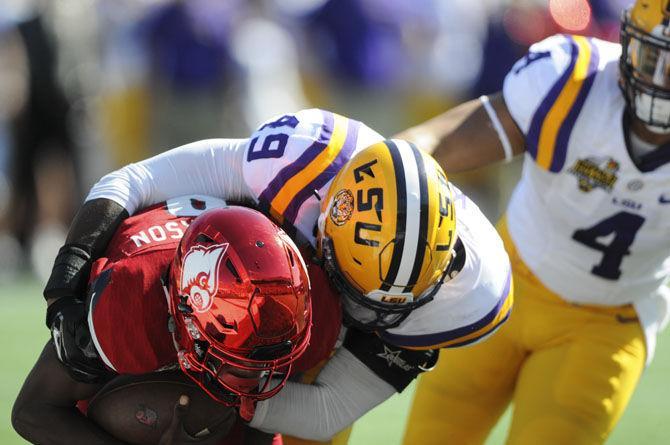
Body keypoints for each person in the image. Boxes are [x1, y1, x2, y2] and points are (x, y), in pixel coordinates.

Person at [41, 108, 513, 443]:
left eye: (391, 301)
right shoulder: (297, 164)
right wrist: (70, 274)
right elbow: (134, 181)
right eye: (352, 284)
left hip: (321, 333)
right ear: (325, 222)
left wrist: (223, 387)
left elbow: (330, 409)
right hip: (239, 277)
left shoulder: (469, 295)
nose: (364, 306)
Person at [395, 1, 670, 444]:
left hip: (606, 325)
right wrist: (379, 158)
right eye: (655, 60)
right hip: (502, 285)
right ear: (630, 47)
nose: (660, 83)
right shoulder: (576, 83)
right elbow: (439, 143)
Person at [13, 200, 324, 444]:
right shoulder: (129, 306)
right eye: (236, 362)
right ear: (188, 315)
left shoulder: (299, 297)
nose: (250, 381)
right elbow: (33, 410)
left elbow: (260, 416)